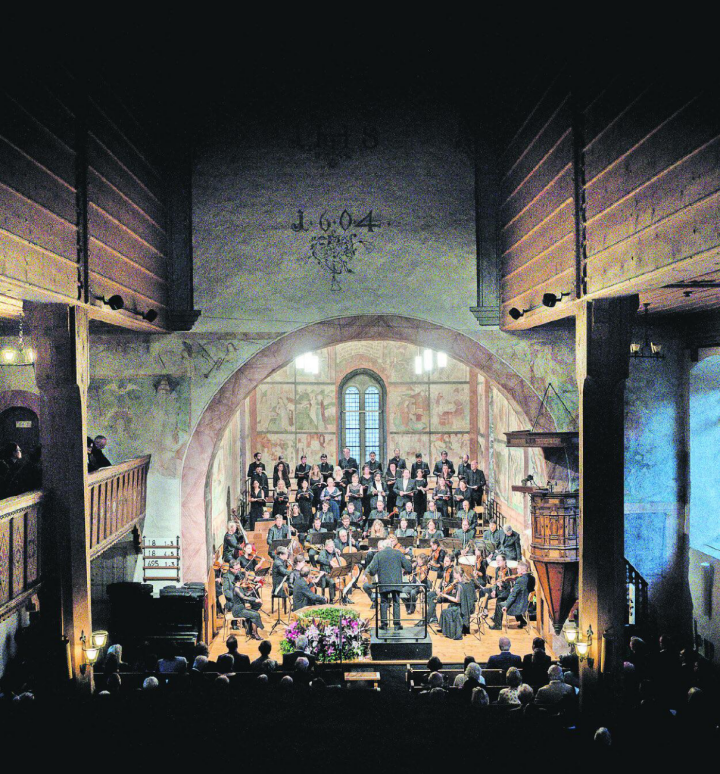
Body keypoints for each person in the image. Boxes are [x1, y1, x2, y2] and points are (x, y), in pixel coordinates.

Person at [365, 538, 412, 630]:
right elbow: (409, 567)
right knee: (396, 602)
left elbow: (372, 570)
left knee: (383, 602)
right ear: (391, 546)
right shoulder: (398, 553)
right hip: (396, 583)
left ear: (384, 546)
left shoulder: (379, 554)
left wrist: (373, 574)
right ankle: (397, 625)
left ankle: (384, 624)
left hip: (383, 584)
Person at [438, 566, 475, 640]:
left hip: (462, 609)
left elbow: (457, 600)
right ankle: (455, 628)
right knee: (450, 606)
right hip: (470, 607)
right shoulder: (469, 582)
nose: (453, 575)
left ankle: (449, 631)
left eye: (454, 573)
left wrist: (445, 595)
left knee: (444, 612)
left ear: (457, 574)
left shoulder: (460, 586)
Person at [494, 562, 533, 629]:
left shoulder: (520, 580)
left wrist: (506, 606)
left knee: (499, 605)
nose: (517, 570)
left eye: (518, 569)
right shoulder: (530, 578)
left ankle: (497, 626)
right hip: (525, 603)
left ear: (523, 570)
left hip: (519, 606)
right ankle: (522, 621)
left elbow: (513, 595)